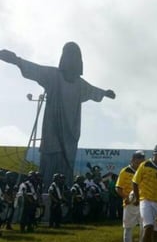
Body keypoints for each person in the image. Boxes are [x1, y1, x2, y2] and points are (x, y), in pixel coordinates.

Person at [0, 43, 116, 189]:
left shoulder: (80, 84)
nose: (72, 59)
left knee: (66, 172)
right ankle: (44, 197)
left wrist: (105, 93)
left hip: (70, 139)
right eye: (69, 55)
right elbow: (34, 69)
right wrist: (15, 60)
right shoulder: (52, 75)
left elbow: (93, 91)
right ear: (63, 58)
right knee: (48, 168)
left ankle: (64, 200)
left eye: (75, 56)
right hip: (52, 133)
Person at [133, 145, 157, 242]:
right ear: (154, 154)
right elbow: (135, 182)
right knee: (148, 227)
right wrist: (137, 198)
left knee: (156, 233)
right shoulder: (144, 165)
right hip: (145, 200)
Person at [116, 150, 146, 242]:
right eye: (138, 160)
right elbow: (118, 188)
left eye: (142, 161)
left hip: (142, 203)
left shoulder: (144, 171)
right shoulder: (125, 171)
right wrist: (126, 198)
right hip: (129, 204)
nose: (140, 163)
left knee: (144, 228)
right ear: (132, 160)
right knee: (128, 228)